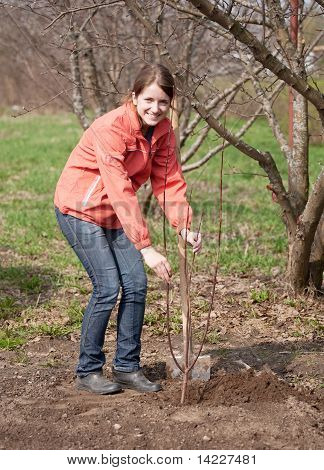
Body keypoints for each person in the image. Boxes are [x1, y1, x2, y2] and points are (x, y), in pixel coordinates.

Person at [54, 63, 202, 395]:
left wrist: (183, 227)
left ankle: (126, 368)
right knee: (107, 287)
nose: (155, 108)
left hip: (115, 212)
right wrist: (146, 247)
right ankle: (88, 370)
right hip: (80, 209)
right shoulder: (111, 128)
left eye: (163, 102)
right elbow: (120, 189)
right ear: (134, 96)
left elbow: (168, 182)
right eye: (149, 100)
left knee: (135, 284)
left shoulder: (163, 131)